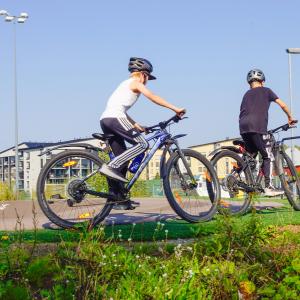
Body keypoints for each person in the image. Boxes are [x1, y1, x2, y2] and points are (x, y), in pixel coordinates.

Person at [99, 57, 185, 208]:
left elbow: (119, 107)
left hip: (107, 119)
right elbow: (153, 97)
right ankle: (111, 166)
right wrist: (175, 108)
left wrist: (136, 125)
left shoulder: (124, 85)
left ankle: (118, 198)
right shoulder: (136, 83)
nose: (147, 81)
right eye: (148, 78)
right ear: (143, 74)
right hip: (115, 118)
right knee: (143, 144)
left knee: (123, 159)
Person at [239, 68, 296, 197]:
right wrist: (289, 117)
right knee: (268, 156)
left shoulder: (246, 94)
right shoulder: (267, 91)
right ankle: (269, 187)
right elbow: (282, 105)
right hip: (258, 127)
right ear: (262, 81)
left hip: (243, 128)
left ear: (249, 83)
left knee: (251, 155)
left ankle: (242, 177)